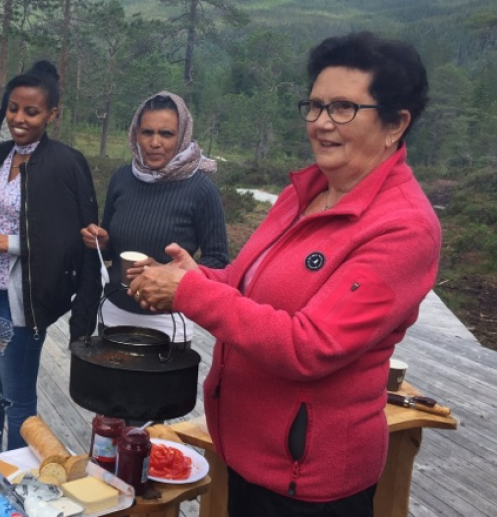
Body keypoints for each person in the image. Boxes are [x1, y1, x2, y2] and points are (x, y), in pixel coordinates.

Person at [129, 32, 440, 516]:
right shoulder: (305, 192)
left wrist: (189, 292)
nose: (320, 123)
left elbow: (309, 347)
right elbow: (246, 285)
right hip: (249, 455)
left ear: (396, 123)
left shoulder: (403, 229)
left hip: (309, 483)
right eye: (314, 106)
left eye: (343, 108)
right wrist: (195, 278)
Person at [0, 61, 100, 452]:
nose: (19, 119)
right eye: (13, 109)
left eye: (32, 111)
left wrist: (5, 243)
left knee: (16, 398)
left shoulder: (65, 164)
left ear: (51, 115)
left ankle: (14, 479)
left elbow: (69, 243)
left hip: (21, 301)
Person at [81, 91, 228, 344]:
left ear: (182, 136)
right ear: (136, 134)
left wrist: (168, 272)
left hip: (168, 322)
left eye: (166, 134)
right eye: (147, 132)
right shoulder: (122, 178)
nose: (155, 142)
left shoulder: (201, 189)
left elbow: (218, 262)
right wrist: (102, 243)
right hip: (113, 311)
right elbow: (111, 252)